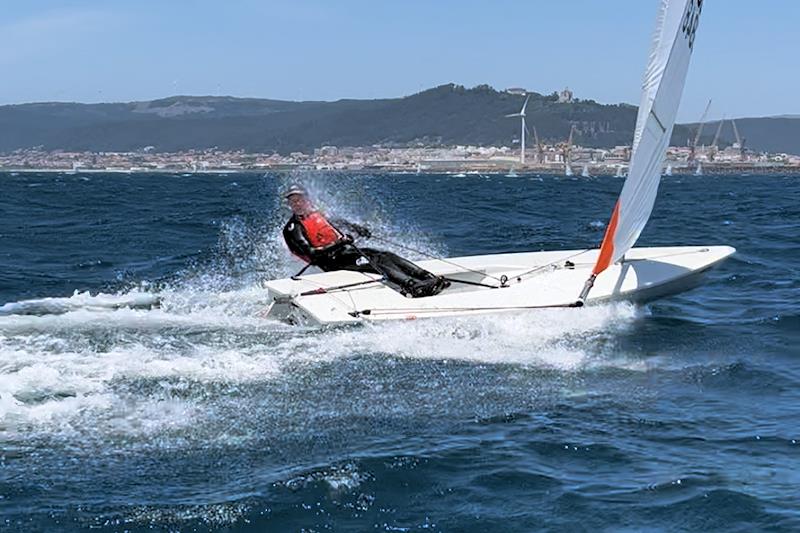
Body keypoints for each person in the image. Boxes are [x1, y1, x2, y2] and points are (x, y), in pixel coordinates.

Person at [281, 185, 449, 298]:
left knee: (385, 255)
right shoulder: (293, 228)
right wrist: (340, 243)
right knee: (374, 262)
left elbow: (339, 223)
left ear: (307, 200)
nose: (297, 203)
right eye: (292, 201)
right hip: (330, 263)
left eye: (299, 199)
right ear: (289, 205)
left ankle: (426, 277)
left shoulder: (317, 215)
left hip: (344, 254)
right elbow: (312, 254)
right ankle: (413, 287)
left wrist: (357, 228)